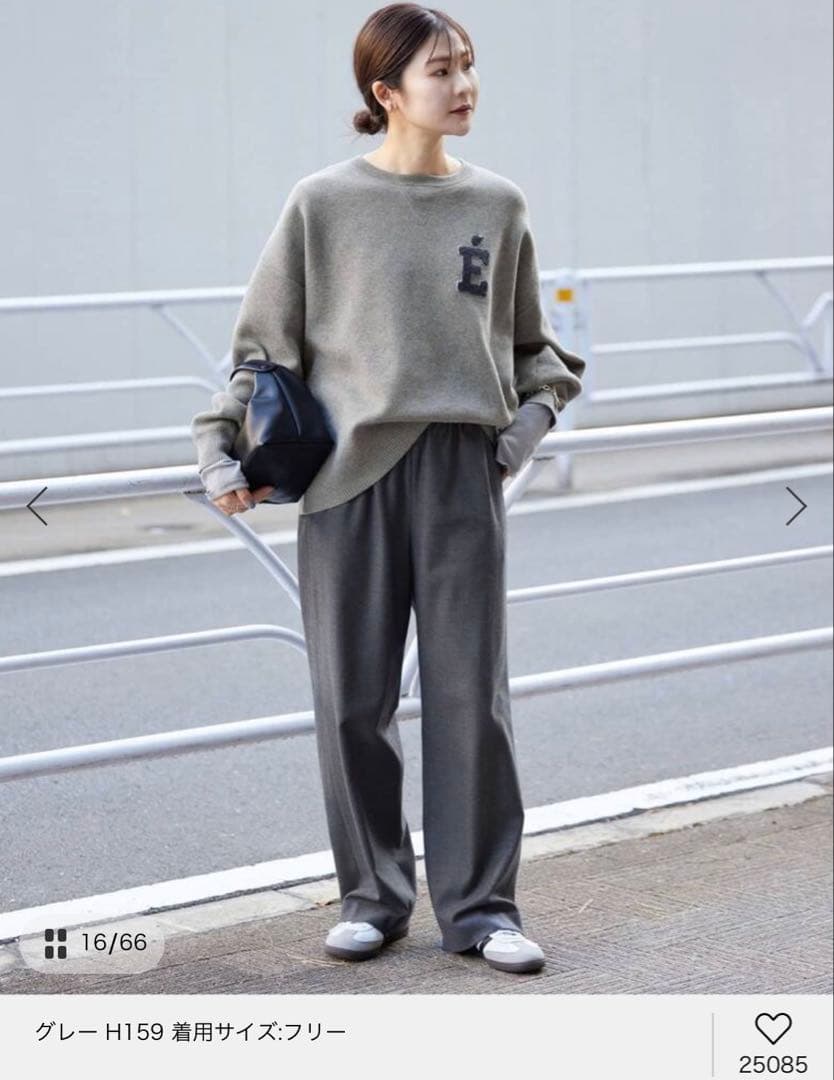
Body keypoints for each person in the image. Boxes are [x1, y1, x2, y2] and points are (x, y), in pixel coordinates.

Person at [190, 3, 585, 976]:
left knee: (471, 700)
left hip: (461, 473)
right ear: (386, 90)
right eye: (441, 70)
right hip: (348, 479)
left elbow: (537, 353)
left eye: (468, 65)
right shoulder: (322, 205)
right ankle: (372, 897)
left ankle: (482, 910)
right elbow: (262, 353)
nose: (464, 86)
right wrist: (217, 451)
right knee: (351, 700)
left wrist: (520, 435)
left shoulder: (497, 205)